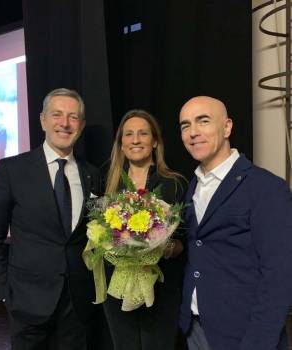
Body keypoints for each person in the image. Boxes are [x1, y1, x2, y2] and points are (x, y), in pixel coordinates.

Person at [0, 88, 101, 350]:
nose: (65, 123)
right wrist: (3, 292)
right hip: (27, 303)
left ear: (81, 125)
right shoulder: (12, 170)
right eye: (57, 114)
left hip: (78, 307)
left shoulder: (92, 174)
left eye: (73, 117)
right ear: (43, 120)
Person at [178, 96, 292, 350]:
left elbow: (279, 275)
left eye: (203, 121)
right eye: (185, 126)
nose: (193, 132)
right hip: (195, 327)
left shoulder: (265, 188)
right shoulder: (192, 186)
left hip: (244, 333)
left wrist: (258, 342)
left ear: (227, 127)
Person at [103, 109, 186, 350]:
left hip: (161, 291)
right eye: (128, 134)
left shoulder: (174, 183)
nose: (135, 140)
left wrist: (163, 246)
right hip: (117, 291)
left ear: (155, 141)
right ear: (121, 144)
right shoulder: (107, 182)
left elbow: (185, 244)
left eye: (143, 133)